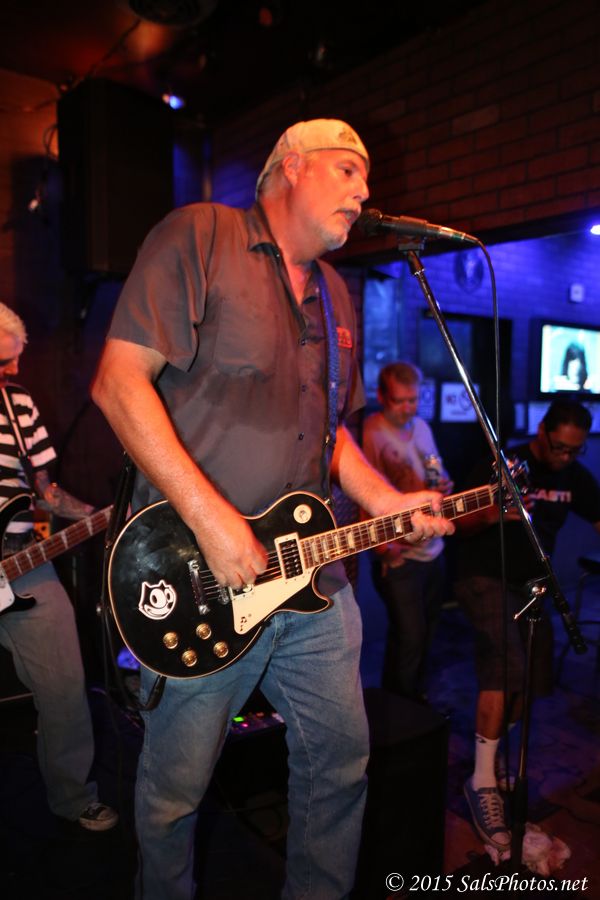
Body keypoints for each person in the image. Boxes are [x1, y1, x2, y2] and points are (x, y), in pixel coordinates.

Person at [91, 118, 454, 900]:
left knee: (339, 766)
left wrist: (390, 502)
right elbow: (118, 383)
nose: (365, 190)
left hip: (313, 580)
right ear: (290, 166)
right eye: (348, 169)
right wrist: (211, 519)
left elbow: (331, 434)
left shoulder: (335, 292)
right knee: (175, 793)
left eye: (367, 176)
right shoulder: (201, 235)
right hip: (197, 576)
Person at [454, 399, 600, 854]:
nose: (565, 457)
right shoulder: (505, 463)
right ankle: (481, 782)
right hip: (484, 575)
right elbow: (456, 520)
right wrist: (495, 513)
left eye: (575, 450)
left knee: (532, 680)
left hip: (532, 585)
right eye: (559, 448)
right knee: (505, 666)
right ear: (542, 432)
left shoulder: (574, 476)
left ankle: (493, 754)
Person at [0, 302, 118, 831]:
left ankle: (73, 796)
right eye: (5, 362)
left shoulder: (19, 404)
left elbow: (45, 492)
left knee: (66, 683)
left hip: (22, 562)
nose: (15, 370)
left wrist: (97, 517)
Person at [362, 361, 454, 701]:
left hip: (432, 549)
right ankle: (398, 708)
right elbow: (365, 497)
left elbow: (437, 474)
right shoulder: (372, 431)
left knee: (427, 632)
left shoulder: (423, 427)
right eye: (400, 400)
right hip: (399, 553)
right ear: (382, 397)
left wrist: (443, 486)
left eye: (413, 400)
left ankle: (415, 704)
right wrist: (386, 552)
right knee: (409, 637)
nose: (408, 408)